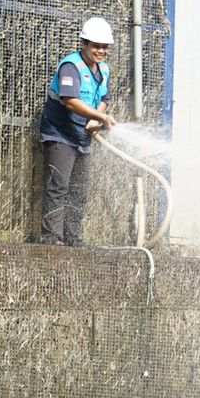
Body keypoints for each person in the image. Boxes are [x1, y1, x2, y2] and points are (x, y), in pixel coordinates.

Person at [38, 16, 115, 246]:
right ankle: (52, 239)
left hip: (82, 136)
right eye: (96, 46)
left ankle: (73, 238)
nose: (101, 51)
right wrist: (100, 117)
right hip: (60, 134)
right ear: (84, 43)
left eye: (105, 47)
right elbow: (70, 101)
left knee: (79, 190)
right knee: (58, 186)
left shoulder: (104, 69)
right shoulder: (71, 66)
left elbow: (104, 98)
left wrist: (96, 116)